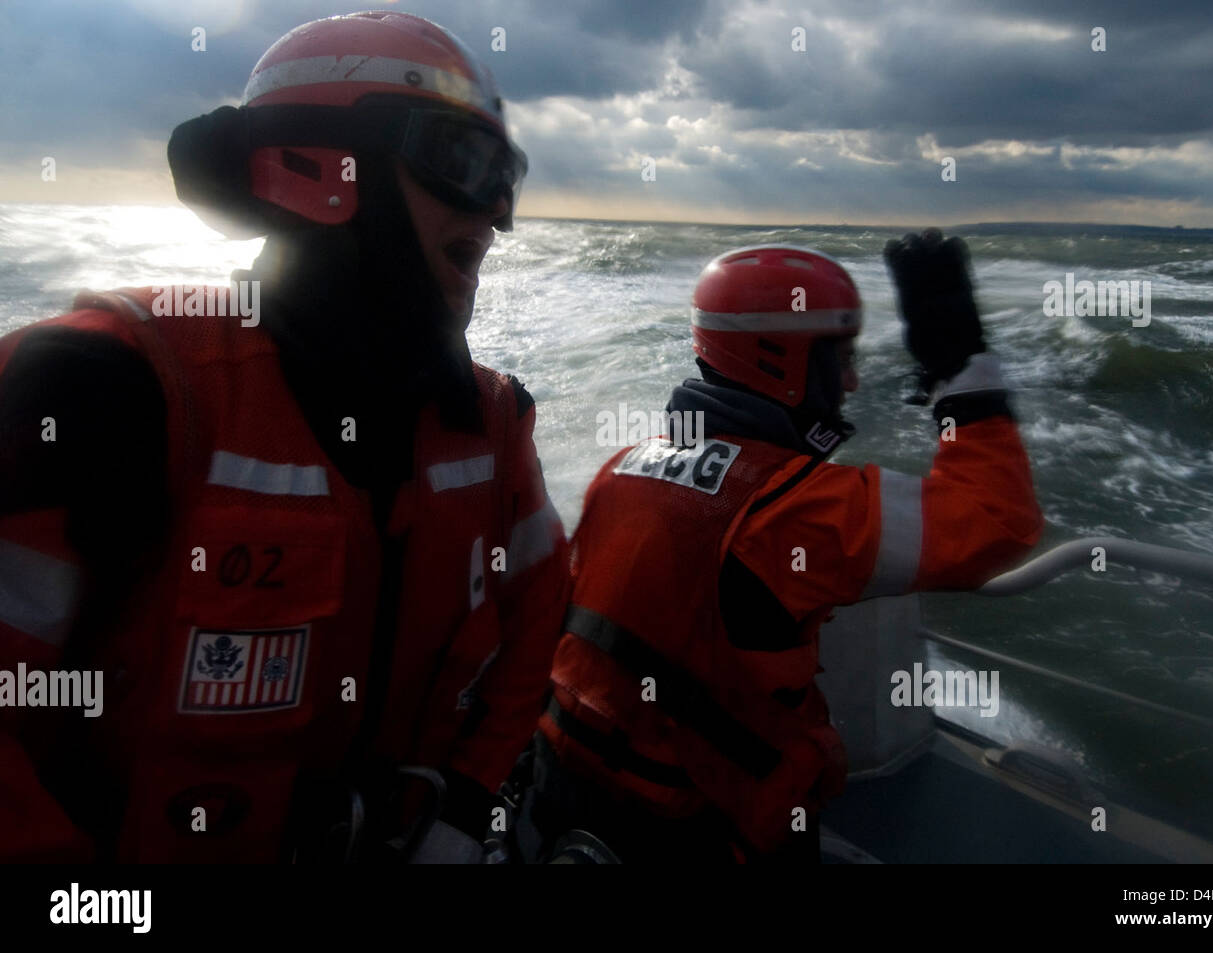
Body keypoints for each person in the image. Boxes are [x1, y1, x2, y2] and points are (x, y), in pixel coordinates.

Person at [0, 11, 567, 863]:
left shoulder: (487, 420)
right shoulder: (106, 386)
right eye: (464, 163)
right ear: (324, 170)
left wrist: (469, 803)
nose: (496, 212)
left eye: (506, 179)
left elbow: (537, 619)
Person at [527, 235, 1044, 863]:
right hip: (703, 826)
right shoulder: (794, 510)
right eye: (840, 360)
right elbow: (998, 521)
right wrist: (960, 372)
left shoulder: (621, 469)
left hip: (566, 787)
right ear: (783, 363)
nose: (851, 383)